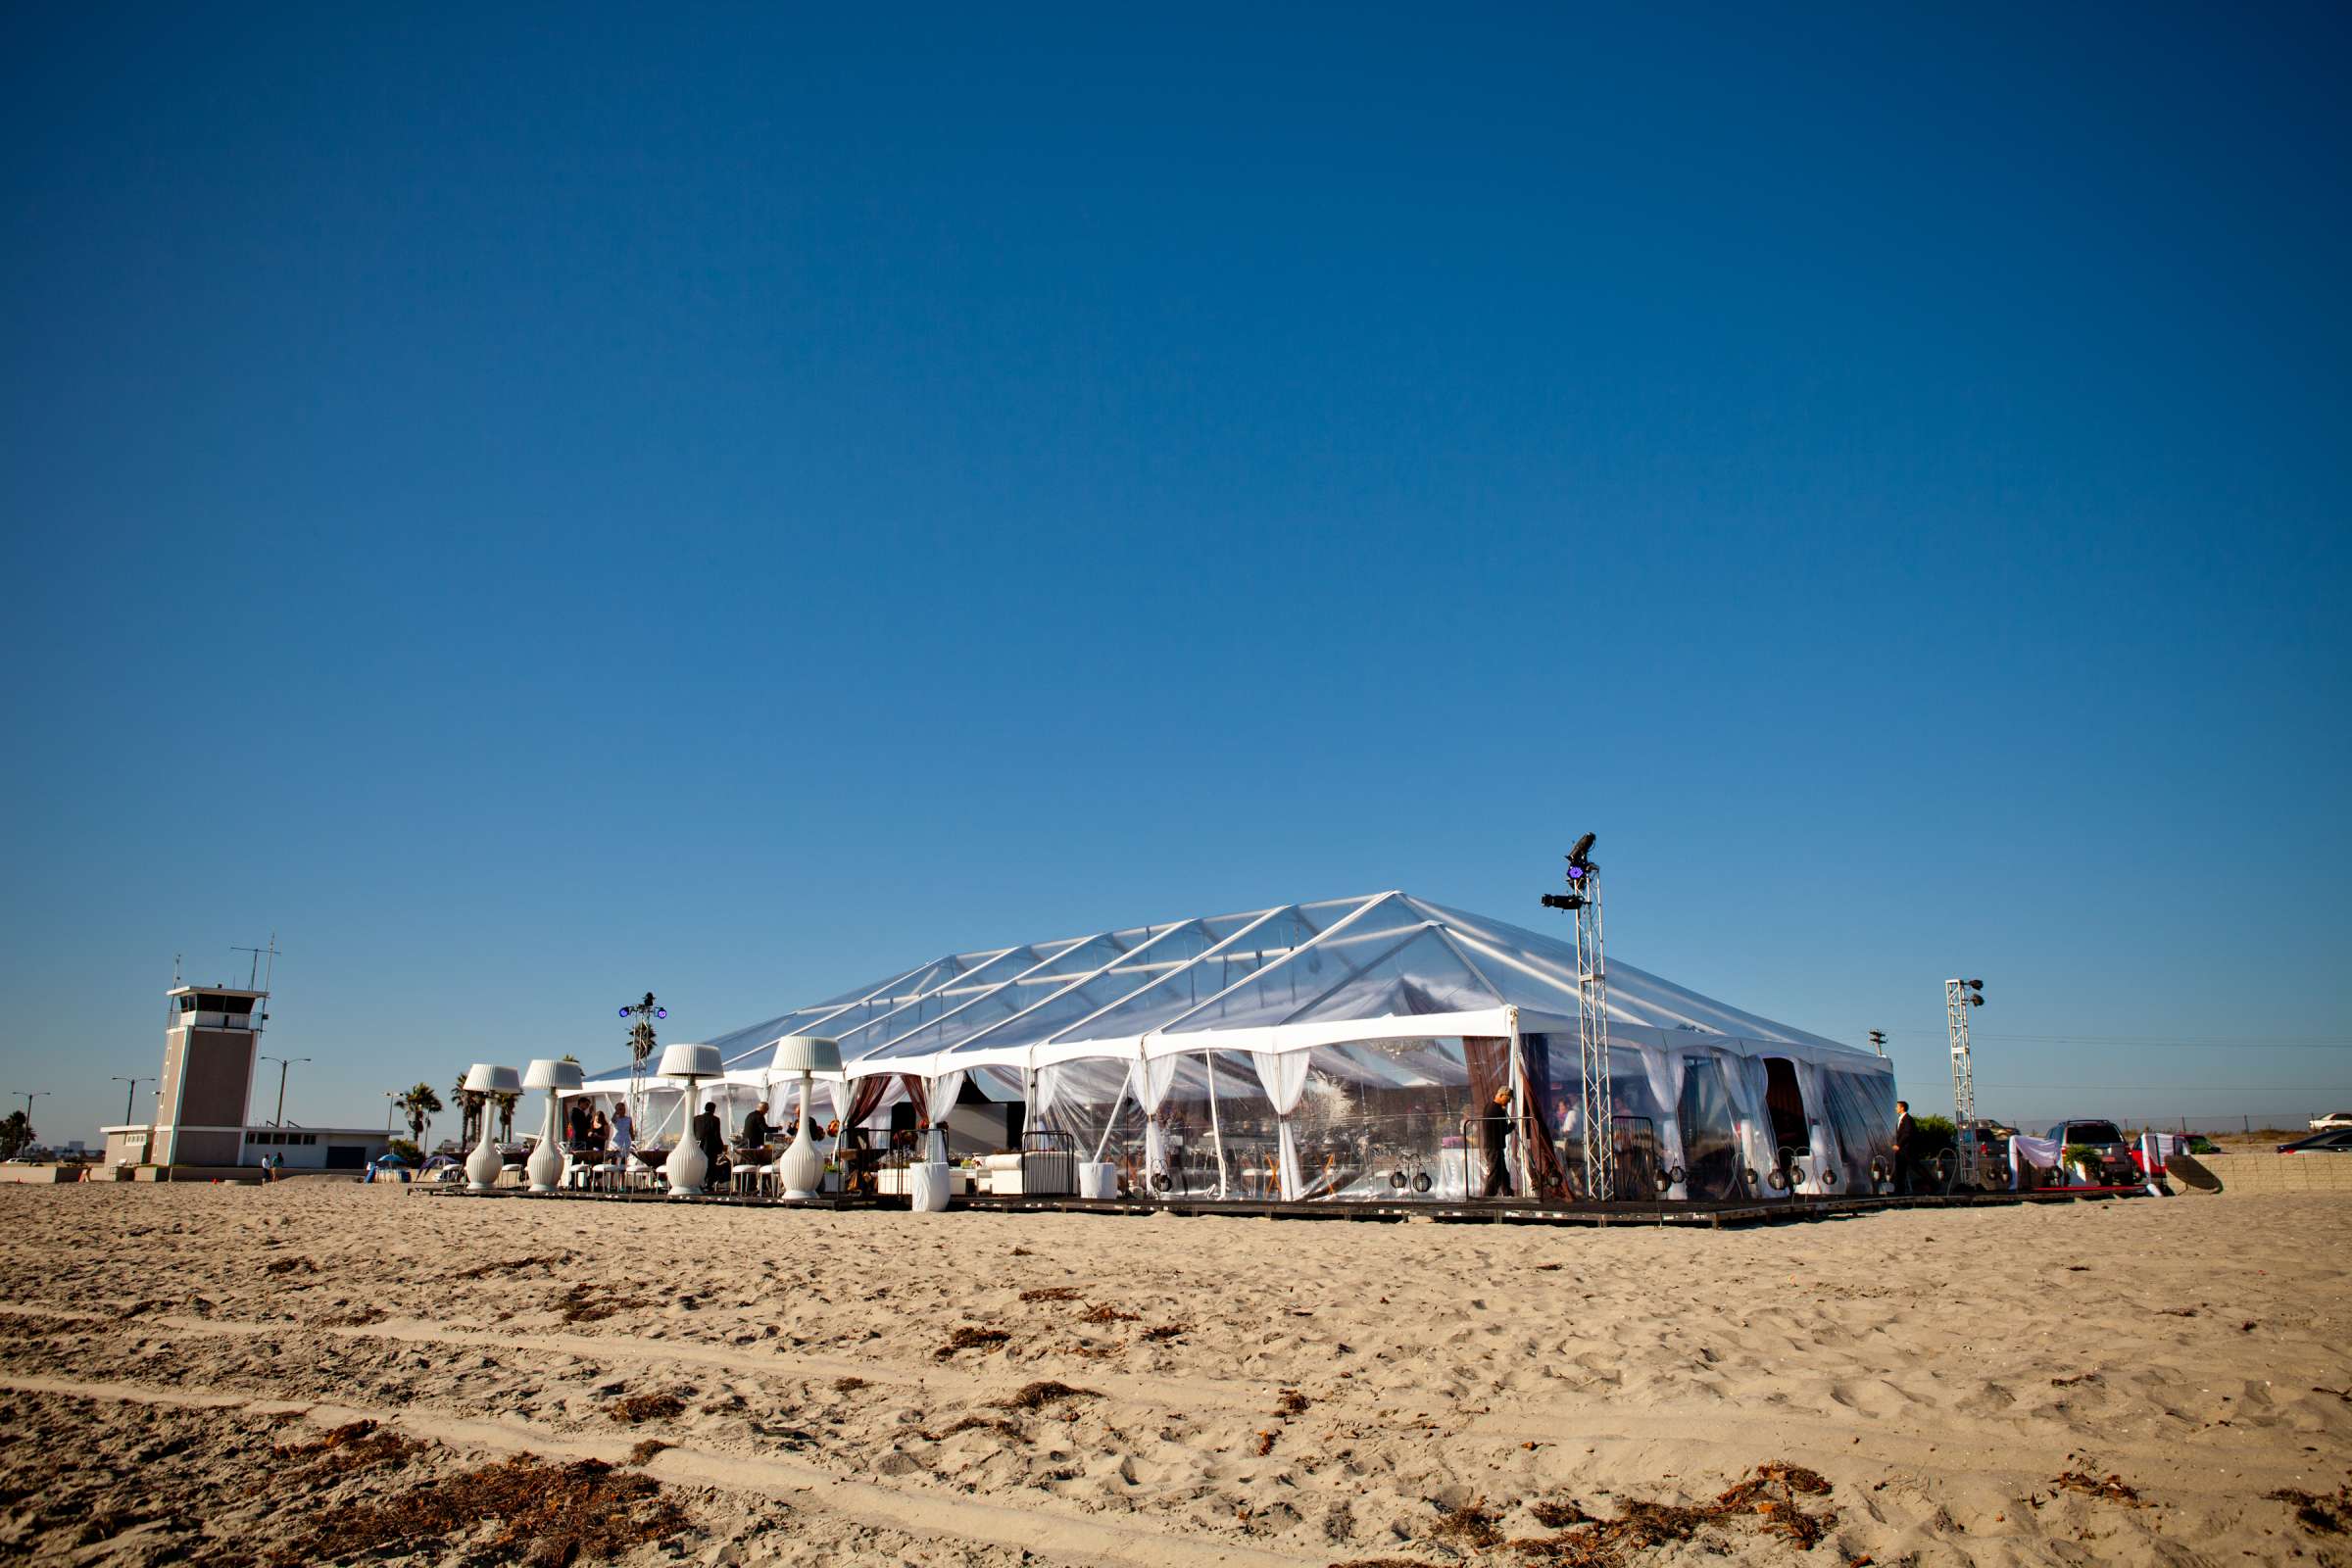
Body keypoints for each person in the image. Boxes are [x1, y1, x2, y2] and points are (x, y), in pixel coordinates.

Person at [1481, 1085, 1514, 1198]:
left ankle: (1508, 1193)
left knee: (1503, 1174)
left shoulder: (1488, 1106)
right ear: (1501, 1095)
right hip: (1495, 1147)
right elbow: (1504, 1130)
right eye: (1508, 1099)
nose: (1509, 1102)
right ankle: (1487, 1198)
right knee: (1495, 1174)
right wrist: (1512, 1125)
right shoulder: (1498, 1111)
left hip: (1490, 1146)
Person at [1891, 1100, 1916, 1196]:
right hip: (1902, 1149)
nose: (1895, 1108)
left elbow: (1907, 1133)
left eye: (1897, 1107)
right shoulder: (1901, 1119)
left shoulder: (1907, 1119)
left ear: (1902, 1108)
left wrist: (1899, 1145)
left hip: (1905, 1149)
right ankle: (1899, 1191)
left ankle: (1933, 1184)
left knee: (1915, 1167)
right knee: (1900, 1170)